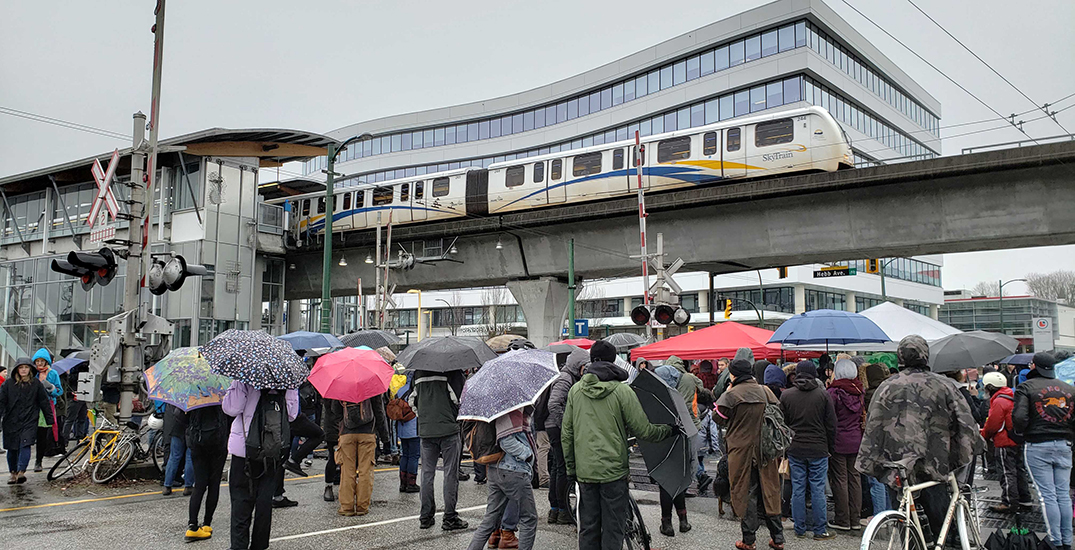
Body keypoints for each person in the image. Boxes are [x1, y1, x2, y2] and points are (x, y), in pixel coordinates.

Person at [857, 336, 984, 548]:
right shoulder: (943, 385)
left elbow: (873, 424)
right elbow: (964, 422)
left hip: (897, 463)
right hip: (933, 460)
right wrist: (974, 445)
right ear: (926, 356)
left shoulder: (886, 386)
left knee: (906, 518)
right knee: (939, 522)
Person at [562, 340, 673, 550]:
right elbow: (644, 430)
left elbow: (567, 434)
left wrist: (571, 468)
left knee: (588, 527)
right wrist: (668, 430)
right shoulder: (622, 392)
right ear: (614, 360)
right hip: (613, 472)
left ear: (591, 361)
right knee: (614, 529)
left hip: (585, 472)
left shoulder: (576, 391)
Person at [715, 358, 784, 550]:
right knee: (770, 491)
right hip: (765, 449)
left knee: (746, 492)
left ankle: (748, 540)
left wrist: (727, 392)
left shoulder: (732, 395)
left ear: (733, 374)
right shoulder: (766, 391)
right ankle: (778, 539)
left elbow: (717, 418)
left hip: (741, 451)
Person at [221, 381, 299, 550]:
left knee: (241, 500)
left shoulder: (245, 377)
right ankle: (260, 545)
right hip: (272, 450)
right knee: (264, 503)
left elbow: (231, 408)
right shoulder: (288, 380)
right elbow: (292, 415)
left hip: (244, 450)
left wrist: (234, 386)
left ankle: (239, 546)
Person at [1013, 352, 1074, 550]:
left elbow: (1020, 418)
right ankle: (1067, 540)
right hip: (1064, 445)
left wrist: (1022, 432)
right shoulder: (1069, 389)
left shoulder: (1026, 387)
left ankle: (1054, 540)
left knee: (1047, 495)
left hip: (1037, 445)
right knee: (1063, 494)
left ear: (1034, 366)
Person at [467, 409, 539, 550]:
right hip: (513, 469)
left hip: (496, 468)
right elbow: (506, 440)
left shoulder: (495, 409)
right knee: (528, 519)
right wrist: (528, 454)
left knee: (490, 520)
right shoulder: (509, 411)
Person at [780, 360, 837, 540]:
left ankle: (799, 528)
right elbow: (831, 424)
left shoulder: (787, 395)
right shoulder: (823, 395)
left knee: (798, 487)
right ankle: (820, 530)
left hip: (795, 448)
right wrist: (830, 446)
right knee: (818, 488)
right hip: (818, 448)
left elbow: (783, 424)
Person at [414, 368, 469, 531]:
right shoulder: (453, 372)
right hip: (449, 429)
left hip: (426, 429)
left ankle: (425, 516)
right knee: (450, 473)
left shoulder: (418, 373)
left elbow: (413, 401)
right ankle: (450, 517)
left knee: (426, 473)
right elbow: (461, 400)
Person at [544, 348, 588, 525]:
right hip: (557, 427)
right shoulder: (565, 378)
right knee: (562, 469)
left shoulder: (565, 376)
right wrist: (566, 426)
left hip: (552, 426)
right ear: (579, 365)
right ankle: (563, 510)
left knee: (557, 467)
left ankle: (555, 509)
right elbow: (554, 404)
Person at [329, 391, 389, 516]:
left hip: (347, 433)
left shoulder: (342, 386)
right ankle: (362, 506)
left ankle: (347, 507)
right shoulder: (371, 385)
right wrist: (385, 438)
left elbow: (335, 410)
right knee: (365, 470)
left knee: (347, 471)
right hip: (367, 433)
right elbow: (379, 411)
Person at [980, 371, 1032, 513]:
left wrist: (983, 434)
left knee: (1006, 471)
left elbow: (993, 424)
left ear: (990, 387)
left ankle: (1009, 502)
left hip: (1004, 442)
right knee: (1019, 470)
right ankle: (1025, 499)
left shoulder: (998, 401)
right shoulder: (1011, 396)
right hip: (1017, 440)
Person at [0, 357, 54, 484]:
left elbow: (44, 402)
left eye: (26, 367)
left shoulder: (36, 384)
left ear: (30, 369)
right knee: (12, 448)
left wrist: (49, 419)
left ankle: (21, 472)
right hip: (11, 420)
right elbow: (1, 402)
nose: (23, 370)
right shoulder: (8, 384)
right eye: (21, 367)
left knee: (25, 444)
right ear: (17, 369)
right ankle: (12, 473)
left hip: (29, 419)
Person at [183, 403, 230, 542]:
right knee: (214, 484)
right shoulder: (222, 393)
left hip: (197, 441)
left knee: (199, 485)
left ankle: (192, 526)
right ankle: (207, 524)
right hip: (218, 442)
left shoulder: (192, 394)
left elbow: (179, 416)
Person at [827, 359, 864, 532]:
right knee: (855, 479)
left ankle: (843, 519)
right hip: (856, 440)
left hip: (839, 440)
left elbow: (830, 418)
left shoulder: (834, 392)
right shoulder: (859, 391)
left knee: (840, 479)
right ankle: (855, 518)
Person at [31, 348, 62, 472]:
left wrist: (50, 388)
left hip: (47, 406)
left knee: (42, 435)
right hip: (32, 406)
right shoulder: (32, 373)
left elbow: (59, 391)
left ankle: (38, 461)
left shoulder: (53, 373)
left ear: (46, 362)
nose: (39, 364)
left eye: (42, 361)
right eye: (37, 361)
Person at [392, 370, 420, 494]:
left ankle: (402, 483)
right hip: (414, 428)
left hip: (402, 427)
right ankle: (411, 483)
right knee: (414, 456)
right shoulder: (417, 390)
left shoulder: (400, 390)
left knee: (405, 454)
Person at [163, 403, 194, 496]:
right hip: (191, 430)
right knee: (190, 457)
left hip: (177, 429)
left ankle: (167, 485)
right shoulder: (197, 399)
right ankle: (188, 486)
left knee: (174, 457)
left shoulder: (179, 398)